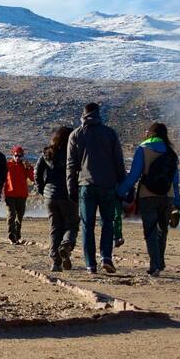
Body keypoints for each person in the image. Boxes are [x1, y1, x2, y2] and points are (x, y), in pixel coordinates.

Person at [66, 103, 126, 274]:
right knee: (107, 222)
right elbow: (118, 162)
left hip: (86, 186)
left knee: (87, 225)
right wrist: (123, 186)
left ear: (83, 115)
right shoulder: (110, 133)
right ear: (99, 115)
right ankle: (106, 257)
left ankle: (90, 264)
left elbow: (71, 165)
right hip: (107, 186)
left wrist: (71, 188)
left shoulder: (76, 135)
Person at [117, 123, 180, 277]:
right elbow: (175, 181)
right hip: (168, 196)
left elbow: (134, 175)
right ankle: (160, 261)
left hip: (148, 195)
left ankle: (155, 265)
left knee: (150, 231)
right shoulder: (171, 152)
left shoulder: (143, 149)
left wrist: (120, 192)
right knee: (162, 230)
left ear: (150, 133)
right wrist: (177, 203)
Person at [36, 126, 76, 272]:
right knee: (71, 225)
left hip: (50, 196)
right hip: (68, 195)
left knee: (54, 227)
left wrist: (43, 190)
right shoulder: (72, 153)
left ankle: (55, 262)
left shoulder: (48, 152)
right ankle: (66, 245)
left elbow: (37, 173)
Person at [3, 145, 35, 244]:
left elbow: (33, 178)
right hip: (10, 194)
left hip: (22, 195)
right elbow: (2, 178)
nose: (17, 157)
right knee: (11, 216)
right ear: (13, 155)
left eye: (20, 156)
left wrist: (29, 167)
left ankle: (17, 235)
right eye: (16, 155)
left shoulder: (25, 166)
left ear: (23, 156)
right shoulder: (8, 165)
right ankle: (11, 236)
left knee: (19, 217)